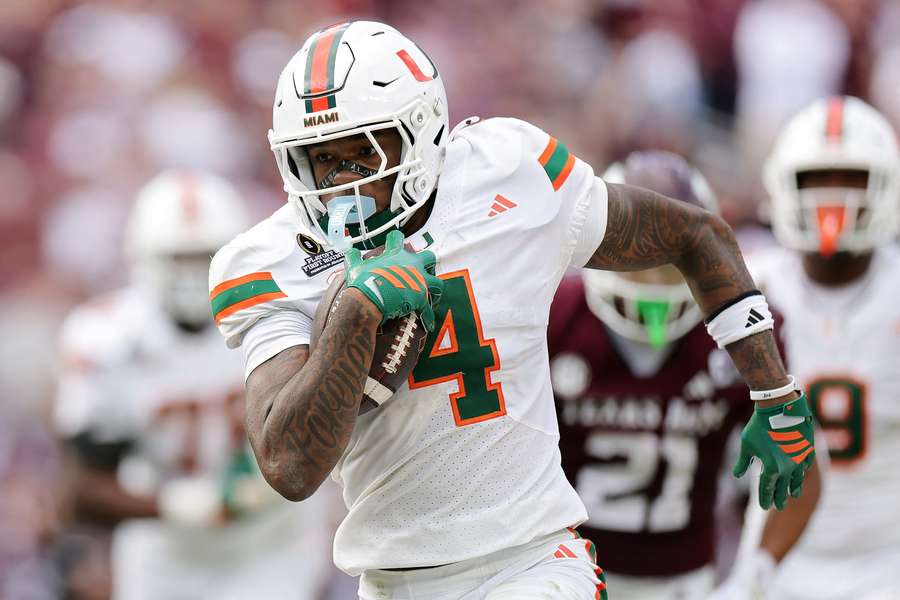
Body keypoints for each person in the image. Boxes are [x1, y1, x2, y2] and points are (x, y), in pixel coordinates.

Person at [209, 21, 815, 600]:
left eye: (362, 156)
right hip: (391, 579)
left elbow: (694, 235)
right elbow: (288, 466)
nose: (342, 184)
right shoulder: (270, 260)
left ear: (420, 132)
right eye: (322, 160)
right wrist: (353, 314)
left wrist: (775, 393)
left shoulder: (510, 173)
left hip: (531, 563)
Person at [549, 151, 821, 600]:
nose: (653, 279)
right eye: (639, 256)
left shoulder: (740, 338)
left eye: (670, 258)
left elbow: (805, 463)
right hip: (563, 576)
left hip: (683, 585)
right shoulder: (556, 320)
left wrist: (754, 575)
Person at [55, 171, 333, 600]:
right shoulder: (108, 340)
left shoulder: (281, 313)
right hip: (169, 556)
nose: (190, 275)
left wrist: (281, 475)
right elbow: (82, 491)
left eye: (204, 256)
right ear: (141, 257)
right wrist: (177, 505)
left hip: (275, 542)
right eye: (177, 259)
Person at [748, 95, 900, 599]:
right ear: (782, 185)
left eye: (850, 179)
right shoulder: (748, 289)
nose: (832, 198)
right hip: (774, 555)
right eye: (816, 179)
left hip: (889, 554)